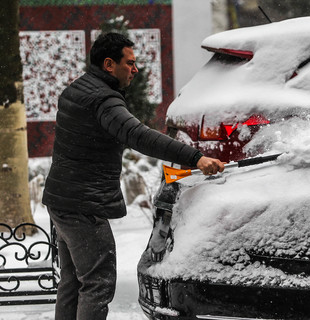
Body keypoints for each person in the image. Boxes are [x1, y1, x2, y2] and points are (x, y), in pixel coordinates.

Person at [42, 32, 224, 320]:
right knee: (97, 283)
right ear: (109, 64)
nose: (136, 69)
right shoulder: (104, 101)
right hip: (83, 207)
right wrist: (196, 158)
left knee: (73, 282)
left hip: (61, 201)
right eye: (130, 63)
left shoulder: (77, 90)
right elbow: (140, 136)